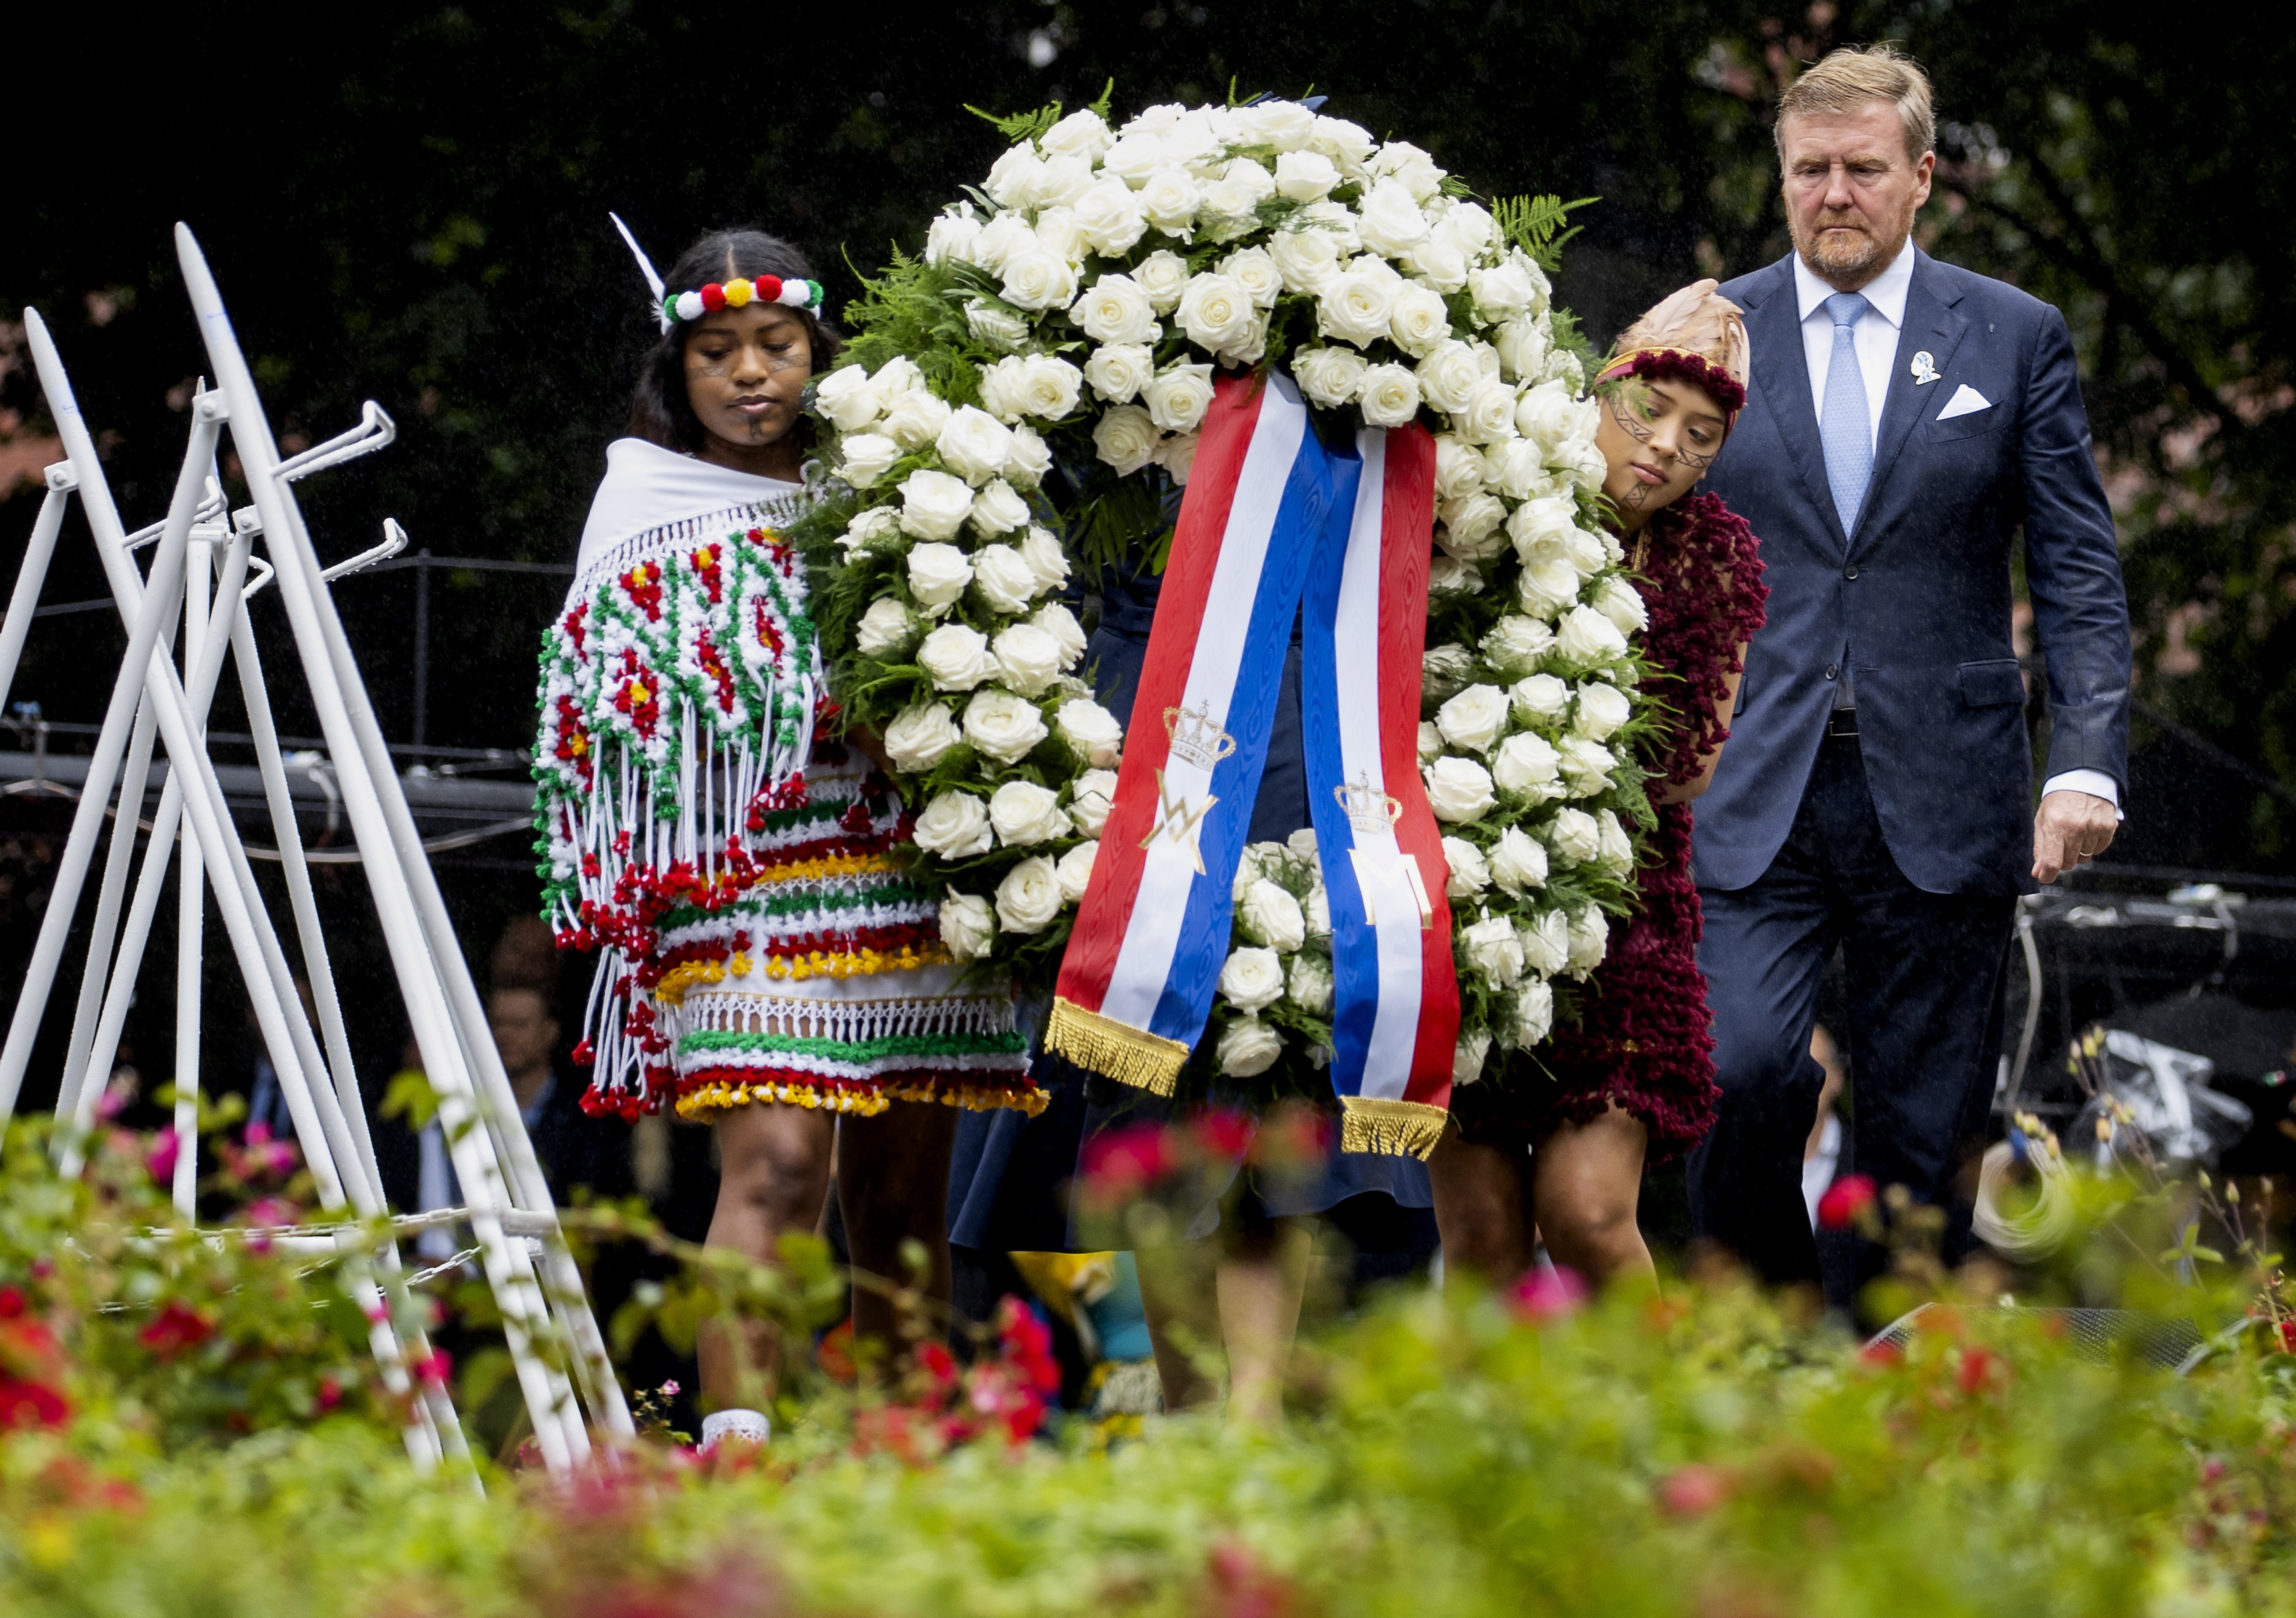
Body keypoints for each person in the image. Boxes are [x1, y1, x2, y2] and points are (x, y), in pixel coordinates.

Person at [534, 225, 1036, 1448]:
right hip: (743, 875)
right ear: (680, 368)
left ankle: (902, 1454)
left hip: (904, 868)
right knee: (773, 1166)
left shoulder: (895, 491)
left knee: (905, 1194)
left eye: (777, 345)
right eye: (719, 351)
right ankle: (739, 1450)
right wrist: (801, 703)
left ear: (819, 353)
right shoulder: (644, 502)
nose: (751, 373)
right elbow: (598, 707)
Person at [1691, 45, 2130, 1290]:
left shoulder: (2012, 335)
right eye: (1809, 170)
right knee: (1739, 1073)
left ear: (1922, 176)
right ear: (1781, 175)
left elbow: (2080, 573)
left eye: (1863, 170)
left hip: (1946, 785)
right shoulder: (1709, 328)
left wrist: (2085, 760)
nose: (1834, 194)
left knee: (1916, 1128)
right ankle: (1762, 1338)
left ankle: (1857, 1382)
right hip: (1745, 777)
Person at [1429, 282, 1769, 1289]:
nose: (1669, 445)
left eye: (1702, 434)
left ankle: (1668, 1436)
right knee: (1483, 1241)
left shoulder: (1715, 560)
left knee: (1583, 1213)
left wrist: (1559, 718)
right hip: (1471, 894)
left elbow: (1691, 763)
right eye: (1650, 410)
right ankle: (1502, 1451)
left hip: (1621, 914)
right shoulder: (1495, 502)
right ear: (1600, 387)